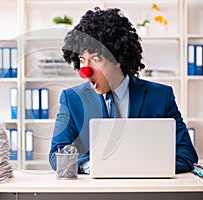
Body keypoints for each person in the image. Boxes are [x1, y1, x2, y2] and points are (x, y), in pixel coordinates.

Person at [48, 7, 198, 174]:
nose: (85, 70)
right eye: (82, 60)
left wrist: (136, 167)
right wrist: (93, 166)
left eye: (96, 59)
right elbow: (57, 154)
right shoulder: (72, 99)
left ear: (117, 59)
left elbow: (187, 155)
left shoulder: (161, 96)